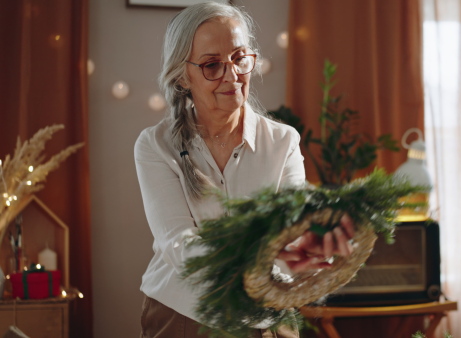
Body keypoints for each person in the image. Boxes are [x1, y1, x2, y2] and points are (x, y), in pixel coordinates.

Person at [134, 2, 354, 337]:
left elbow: (294, 227)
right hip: (183, 314)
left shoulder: (283, 142)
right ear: (182, 75)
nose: (232, 75)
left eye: (239, 58)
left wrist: (313, 242)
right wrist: (270, 252)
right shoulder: (155, 146)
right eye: (211, 65)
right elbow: (180, 247)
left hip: (267, 316)